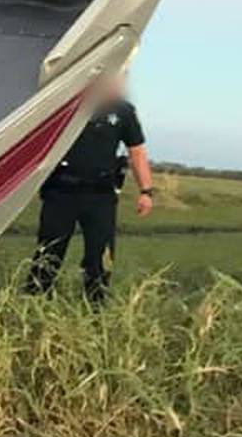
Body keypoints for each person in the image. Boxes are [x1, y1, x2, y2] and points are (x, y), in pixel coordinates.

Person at [26, 73, 154, 302]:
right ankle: (34, 301)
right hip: (61, 191)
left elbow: (137, 151)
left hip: (101, 195)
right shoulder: (67, 105)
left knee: (100, 256)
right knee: (49, 252)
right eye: (115, 77)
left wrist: (146, 191)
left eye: (122, 78)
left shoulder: (123, 111)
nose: (119, 83)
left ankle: (96, 309)